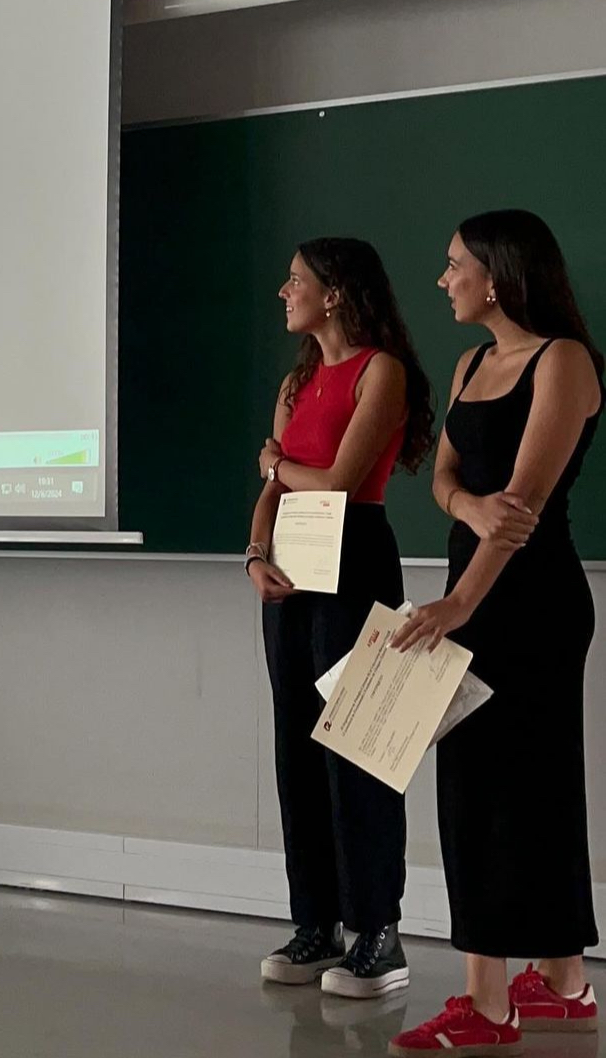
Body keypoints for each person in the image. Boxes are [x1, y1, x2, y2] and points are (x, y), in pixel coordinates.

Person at [389, 210, 601, 1055]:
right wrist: (464, 504)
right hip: (471, 592)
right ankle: (564, 983)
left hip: (529, 602)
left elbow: (523, 508)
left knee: (513, 791)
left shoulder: (564, 361)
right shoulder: (471, 362)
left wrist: (459, 605)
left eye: (454, 265)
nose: (443, 280)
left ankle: (487, 1004)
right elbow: (445, 478)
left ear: (498, 272)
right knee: (486, 790)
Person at [247, 238, 434, 999]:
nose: (283, 291)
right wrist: (254, 553)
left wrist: (273, 464)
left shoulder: (380, 371)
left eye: (295, 280)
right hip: (291, 564)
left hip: (354, 558)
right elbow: (275, 492)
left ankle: (377, 932)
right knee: (295, 746)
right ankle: (315, 925)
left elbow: (336, 481)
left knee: (357, 746)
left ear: (334, 293)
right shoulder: (296, 382)